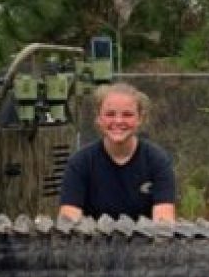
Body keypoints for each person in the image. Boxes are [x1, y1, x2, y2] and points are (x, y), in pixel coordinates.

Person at [58, 83, 176, 222]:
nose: (118, 121)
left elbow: (164, 223)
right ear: (99, 118)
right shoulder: (79, 163)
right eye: (110, 114)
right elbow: (68, 222)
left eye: (127, 115)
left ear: (140, 119)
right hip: (92, 242)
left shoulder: (158, 162)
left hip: (145, 242)